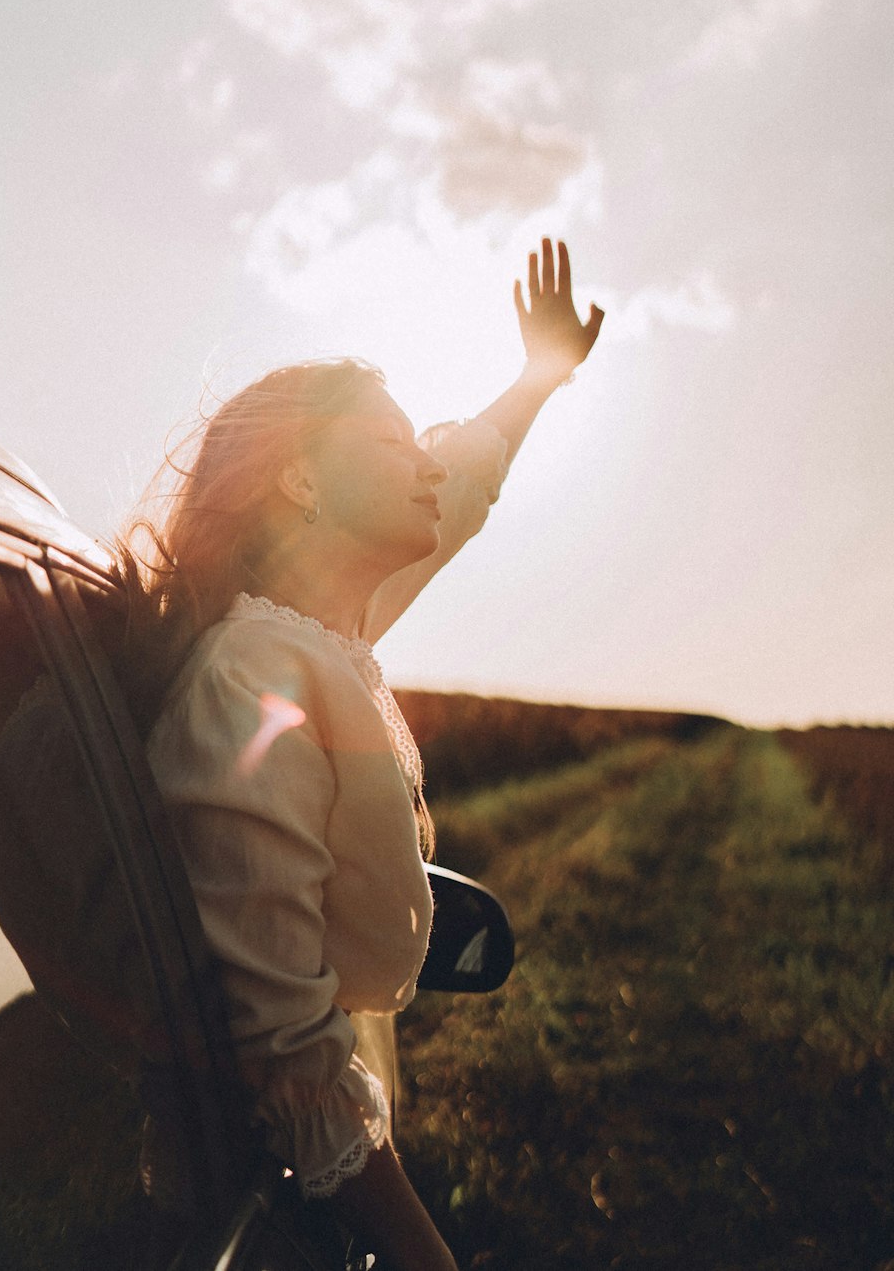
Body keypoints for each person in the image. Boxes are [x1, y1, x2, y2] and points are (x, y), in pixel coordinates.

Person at [119, 238, 604, 1271]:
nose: (425, 459)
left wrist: (537, 379)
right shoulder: (254, 677)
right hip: (258, 1210)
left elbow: (459, 482)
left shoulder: (313, 634)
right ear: (300, 478)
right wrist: (426, 1256)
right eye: (391, 444)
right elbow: (283, 1044)